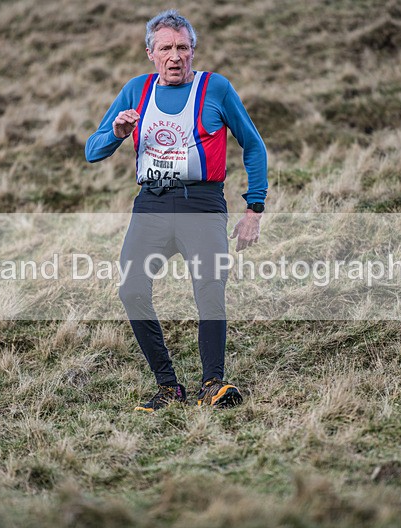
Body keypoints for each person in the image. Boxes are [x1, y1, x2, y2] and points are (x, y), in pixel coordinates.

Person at [85, 9, 267, 412]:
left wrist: (254, 208)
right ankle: (168, 387)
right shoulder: (136, 90)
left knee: (209, 289)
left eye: (182, 47)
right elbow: (91, 151)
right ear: (151, 53)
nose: (174, 56)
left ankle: (213, 383)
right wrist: (116, 134)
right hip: (150, 204)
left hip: (201, 204)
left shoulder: (215, 88)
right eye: (165, 48)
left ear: (193, 51)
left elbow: (253, 145)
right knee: (131, 290)